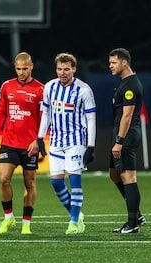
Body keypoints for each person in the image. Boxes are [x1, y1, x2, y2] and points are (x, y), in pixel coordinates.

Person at [37, 52, 96, 235]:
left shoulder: (83, 90)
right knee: (56, 183)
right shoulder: (49, 87)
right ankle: (76, 215)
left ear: (74, 69)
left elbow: (91, 118)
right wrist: (40, 137)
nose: (62, 73)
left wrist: (90, 146)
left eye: (66, 69)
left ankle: (73, 222)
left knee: (74, 180)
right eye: (59, 69)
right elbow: (46, 114)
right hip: (56, 140)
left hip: (76, 140)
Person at [0, 52, 44, 235]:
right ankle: (8, 218)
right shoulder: (7, 86)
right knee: (4, 179)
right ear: (15, 67)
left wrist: (38, 141)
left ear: (31, 67)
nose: (21, 72)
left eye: (25, 68)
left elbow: (45, 119)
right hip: (9, 142)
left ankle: (26, 222)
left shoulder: (41, 90)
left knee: (30, 183)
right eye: (18, 69)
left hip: (30, 145)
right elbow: (0, 112)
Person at [108, 48, 146, 234]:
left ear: (124, 63)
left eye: (113, 62)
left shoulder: (130, 85)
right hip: (122, 134)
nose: (110, 66)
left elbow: (127, 115)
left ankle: (133, 222)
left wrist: (119, 141)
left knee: (128, 177)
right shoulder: (125, 82)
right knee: (114, 174)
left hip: (127, 135)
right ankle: (136, 214)